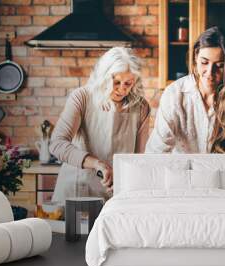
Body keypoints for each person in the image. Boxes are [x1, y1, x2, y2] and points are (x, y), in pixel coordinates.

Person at [49, 47, 150, 203]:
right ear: (104, 77)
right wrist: (97, 163)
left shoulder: (141, 107)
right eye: (116, 82)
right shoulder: (82, 98)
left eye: (128, 83)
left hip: (115, 194)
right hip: (77, 190)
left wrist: (126, 180)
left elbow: (138, 159)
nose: (122, 89)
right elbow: (57, 144)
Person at [146, 27, 225, 154]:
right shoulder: (175, 94)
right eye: (204, 62)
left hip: (221, 173)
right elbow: (157, 150)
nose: (210, 72)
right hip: (181, 172)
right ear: (195, 56)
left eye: (220, 66)